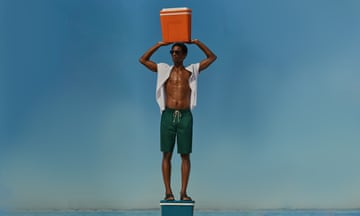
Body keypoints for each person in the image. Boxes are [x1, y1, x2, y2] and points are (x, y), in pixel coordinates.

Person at [139, 39, 217, 201]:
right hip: (168, 115)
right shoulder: (164, 70)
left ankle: (183, 192)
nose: (174, 54)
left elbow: (211, 57)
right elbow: (143, 60)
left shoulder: (192, 71)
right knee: (166, 154)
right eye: (172, 52)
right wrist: (159, 45)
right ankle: (168, 192)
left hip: (185, 116)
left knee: (185, 155)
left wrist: (196, 42)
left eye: (177, 52)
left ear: (184, 55)